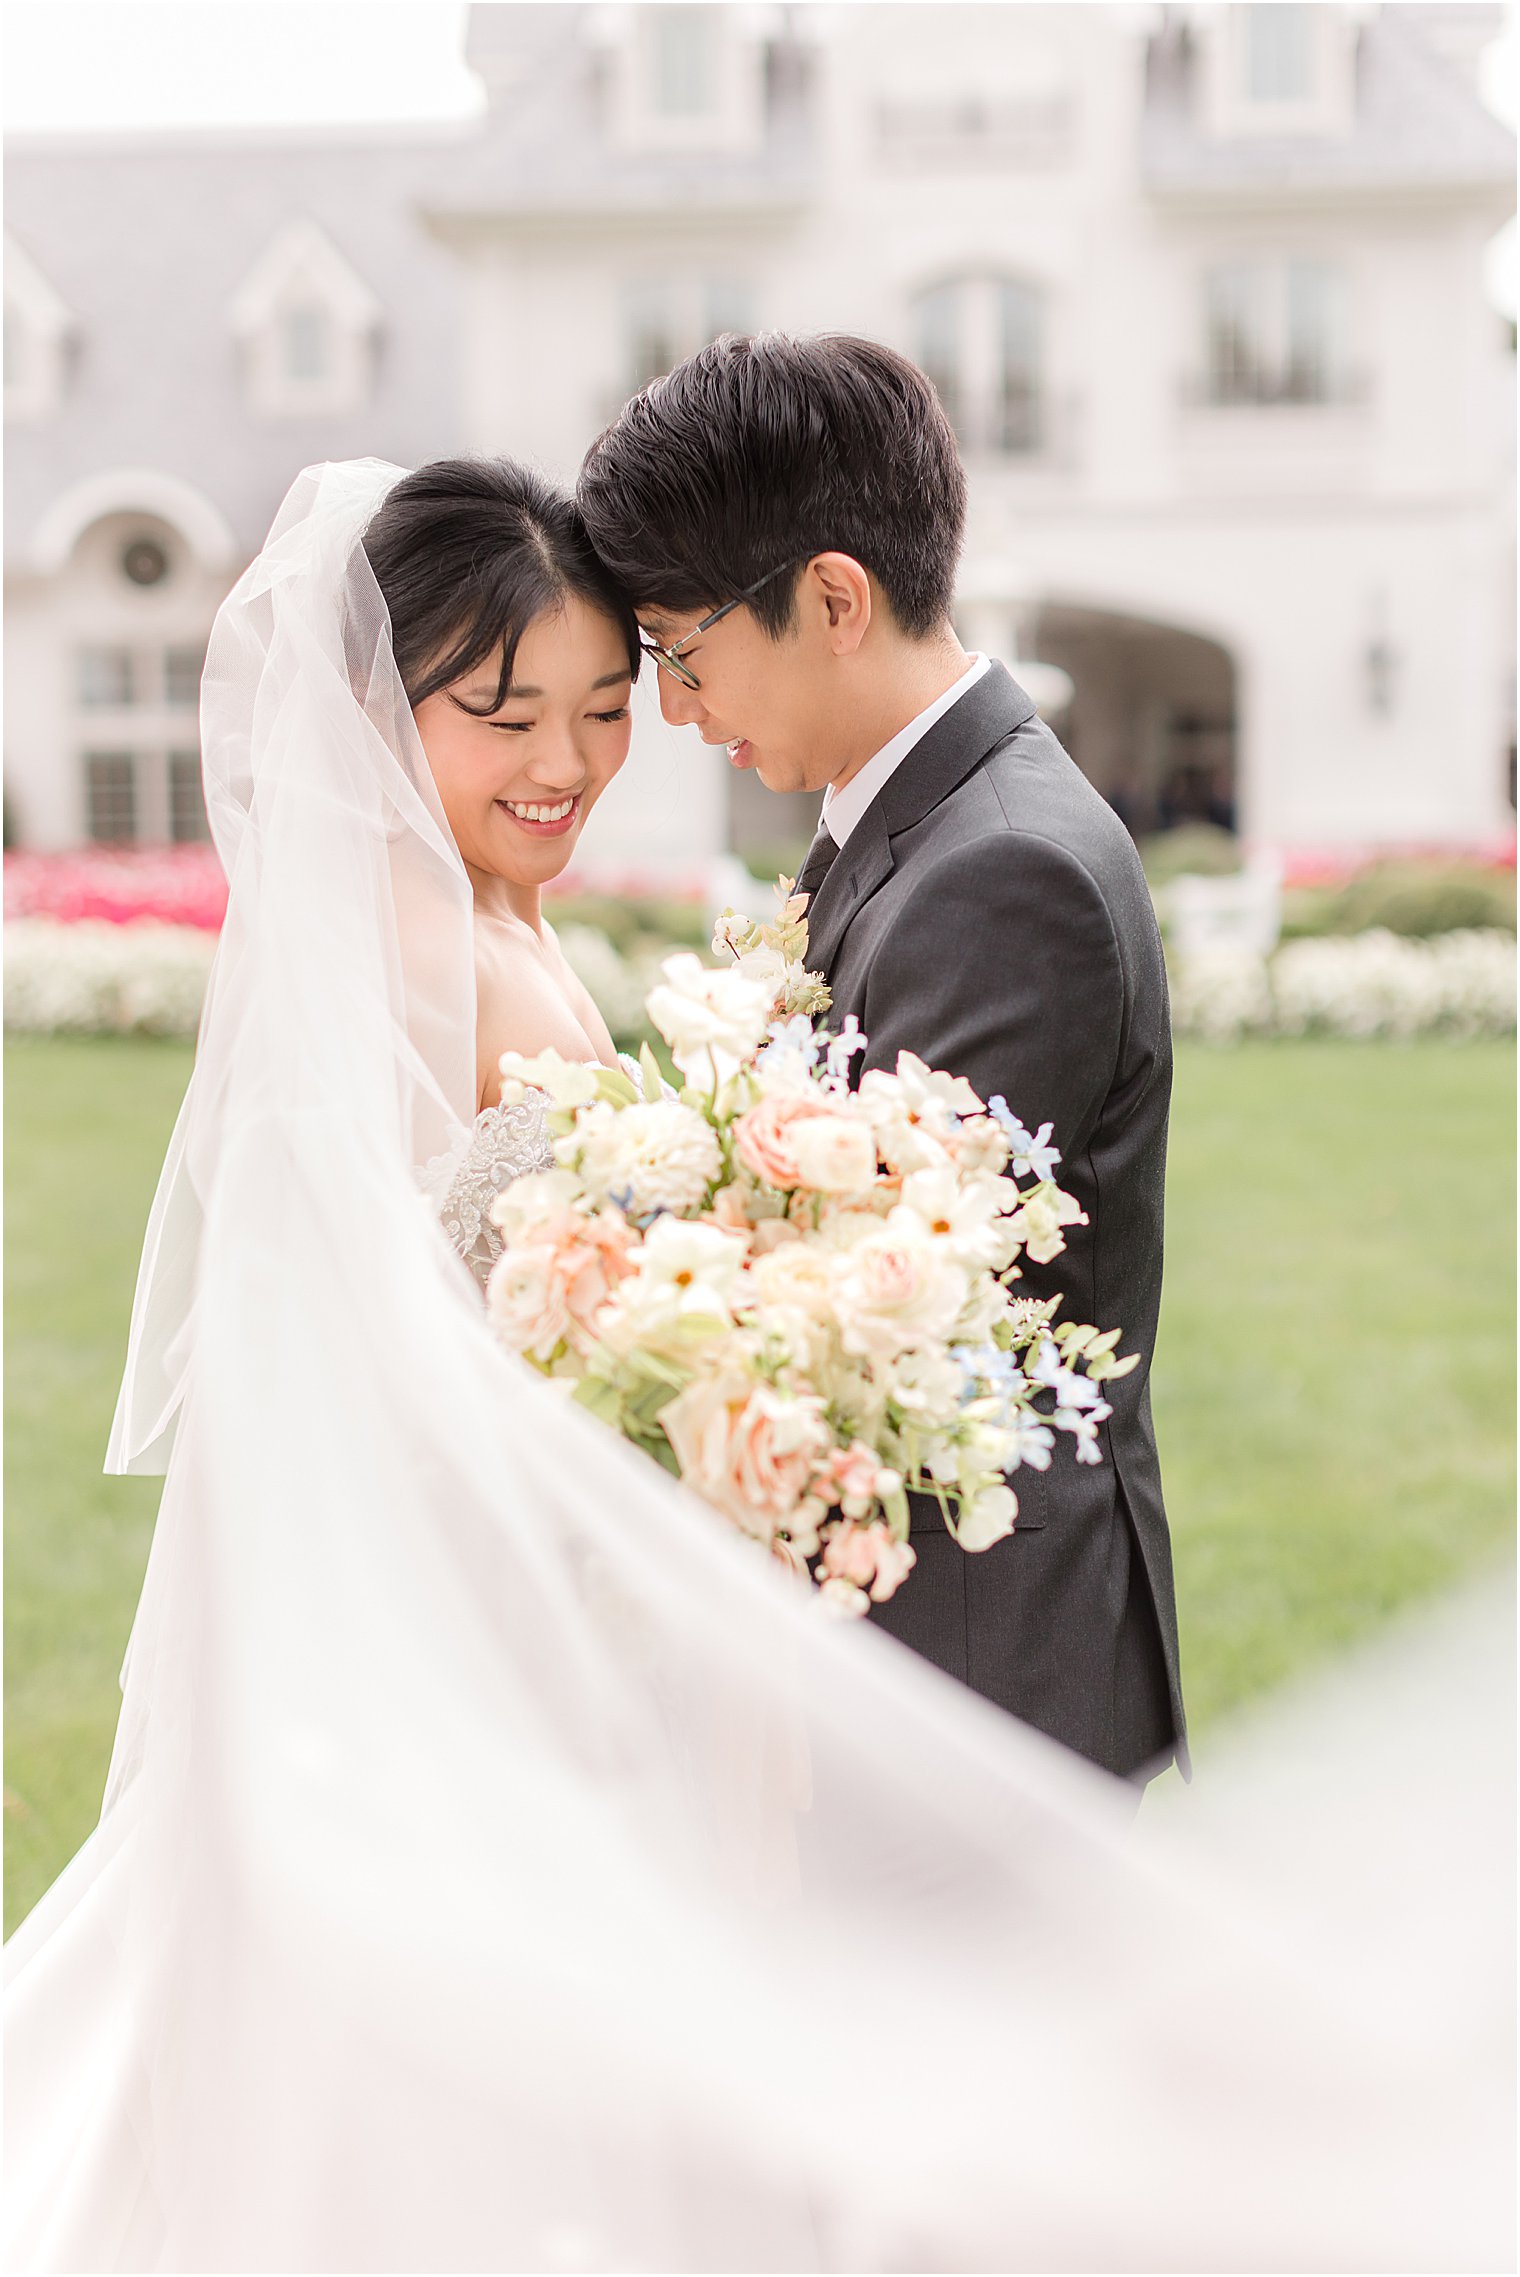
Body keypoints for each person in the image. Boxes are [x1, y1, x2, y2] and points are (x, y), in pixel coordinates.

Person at [5, 459, 1508, 2275]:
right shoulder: (396, 957)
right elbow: (330, 1365)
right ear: (374, 720)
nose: (565, 759)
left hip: (581, 1631)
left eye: (602, 706)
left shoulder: (511, 917)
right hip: (480, 1633)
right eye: (503, 717)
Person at [578, 331, 1183, 1783]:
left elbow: (861, 1301)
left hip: (977, 1663)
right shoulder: (923, 821)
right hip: (924, 1635)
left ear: (831, 596)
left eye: (679, 649)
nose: (672, 706)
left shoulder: (1003, 870)